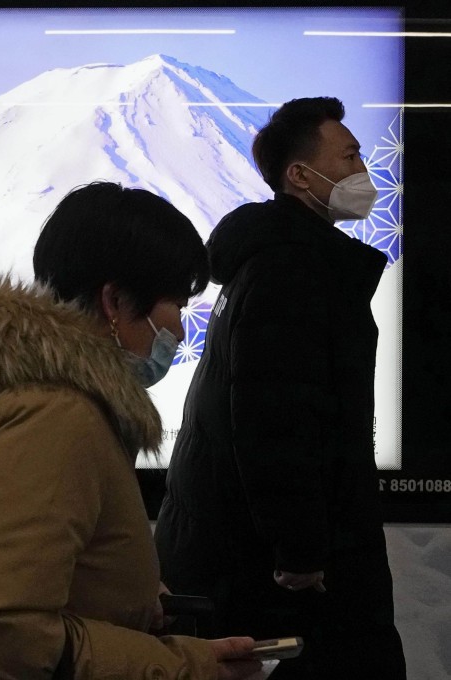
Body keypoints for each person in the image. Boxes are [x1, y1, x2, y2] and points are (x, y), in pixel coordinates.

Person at [0, 181, 263, 680]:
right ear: (115, 300)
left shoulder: (11, 389)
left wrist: (127, 595)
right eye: (176, 304)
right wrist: (181, 666)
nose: (181, 328)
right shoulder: (56, 416)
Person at [154, 97, 406, 679]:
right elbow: (277, 422)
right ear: (300, 175)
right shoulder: (293, 269)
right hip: (275, 571)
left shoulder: (268, 257)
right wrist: (300, 553)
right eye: (348, 156)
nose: (363, 172)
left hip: (231, 552)